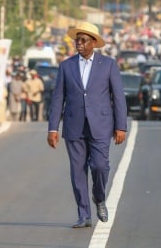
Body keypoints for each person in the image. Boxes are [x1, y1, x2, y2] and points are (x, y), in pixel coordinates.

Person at [47, 21, 128, 228]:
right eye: (77, 40)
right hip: (74, 126)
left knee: (100, 166)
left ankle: (99, 197)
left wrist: (121, 126)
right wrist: (53, 128)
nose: (79, 44)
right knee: (77, 172)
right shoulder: (66, 66)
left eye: (83, 40)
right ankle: (84, 215)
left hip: (101, 125)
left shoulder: (108, 65)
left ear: (93, 42)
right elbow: (58, 98)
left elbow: (118, 96)